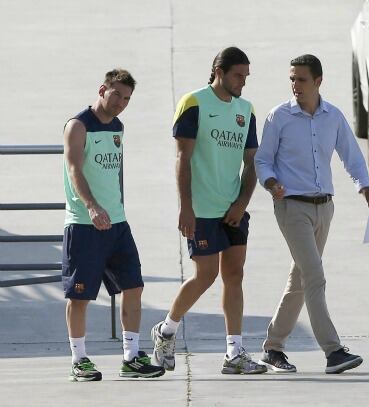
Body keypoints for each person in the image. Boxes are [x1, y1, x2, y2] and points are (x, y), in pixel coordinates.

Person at [254, 54, 369, 374]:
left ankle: (273, 348)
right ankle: (333, 351)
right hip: (291, 208)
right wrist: (271, 183)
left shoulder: (333, 117)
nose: (295, 85)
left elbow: (352, 158)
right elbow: (262, 161)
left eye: (301, 79)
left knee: (299, 279)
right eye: (292, 79)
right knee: (315, 276)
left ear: (318, 81)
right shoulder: (279, 116)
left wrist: (367, 192)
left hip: (324, 208)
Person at [151, 46, 266, 375]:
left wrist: (242, 202)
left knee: (235, 275)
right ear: (219, 71)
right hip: (201, 210)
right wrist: (185, 207)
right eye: (237, 75)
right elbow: (182, 158)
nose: (242, 82)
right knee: (205, 275)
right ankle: (166, 331)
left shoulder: (246, 109)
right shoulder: (194, 102)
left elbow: (251, 161)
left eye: (246, 76)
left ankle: (234, 353)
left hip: (233, 210)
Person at [62, 69, 165, 381]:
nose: (121, 102)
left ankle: (131, 357)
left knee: (134, 287)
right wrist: (92, 206)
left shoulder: (118, 126)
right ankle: (79, 360)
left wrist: (114, 209)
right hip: (84, 225)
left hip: (118, 224)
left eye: (127, 98)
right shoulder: (78, 125)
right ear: (102, 89)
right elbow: (74, 170)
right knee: (79, 296)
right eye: (117, 94)